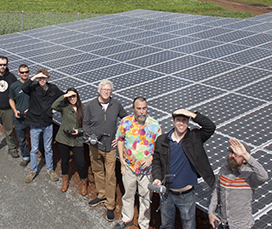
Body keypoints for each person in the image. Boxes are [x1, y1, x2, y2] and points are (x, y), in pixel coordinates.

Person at [151, 109, 216, 229]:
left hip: (187, 195)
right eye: (179, 120)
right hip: (166, 194)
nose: (181, 123)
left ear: (189, 122)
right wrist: (157, 178)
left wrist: (192, 114)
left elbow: (210, 127)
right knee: (166, 226)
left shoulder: (194, 138)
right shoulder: (163, 140)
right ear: (173, 121)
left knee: (189, 226)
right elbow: (156, 162)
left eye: (185, 120)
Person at [83, 79, 128, 222]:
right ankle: (101, 195)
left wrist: (120, 136)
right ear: (99, 90)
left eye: (109, 90)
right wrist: (90, 136)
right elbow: (86, 123)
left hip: (111, 147)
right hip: (95, 146)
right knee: (97, 171)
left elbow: (126, 120)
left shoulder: (116, 104)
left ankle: (110, 205)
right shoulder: (91, 105)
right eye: (104, 90)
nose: (106, 92)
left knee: (110, 175)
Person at [114, 97, 162, 229]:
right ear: (133, 109)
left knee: (145, 200)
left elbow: (160, 146)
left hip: (147, 171)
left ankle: (143, 224)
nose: (142, 111)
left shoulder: (154, 125)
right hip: (129, 168)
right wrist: (122, 160)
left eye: (144, 108)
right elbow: (120, 139)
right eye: (139, 108)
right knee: (128, 195)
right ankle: (127, 218)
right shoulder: (126, 122)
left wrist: (151, 157)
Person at [208, 138, 269, 229]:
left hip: (241, 225)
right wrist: (211, 212)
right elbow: (217, 191)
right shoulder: (223, 170)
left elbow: (264, 177)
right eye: (231, 153)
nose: (233, 156)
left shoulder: (249, 175)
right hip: (223, 223)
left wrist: (246, 155)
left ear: (245, 160)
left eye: (237, 154)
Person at [22, 68, 63, 183]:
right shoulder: (33, 88)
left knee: (48, 148)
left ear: (48, 78)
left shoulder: (53, 89)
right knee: (34, 149)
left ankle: (50, 170)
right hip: (35, 123)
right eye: (40, 78)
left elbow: (63, 97)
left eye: (44, 78)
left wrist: (56, 109)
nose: (42, 80)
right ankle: (33, 171)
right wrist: (34, 77)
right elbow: (24, 88)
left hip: (47, 123)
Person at [51, 87, 88, 195]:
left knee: (81, 163)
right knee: (65, 160)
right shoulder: (64, 107)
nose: (72, 98)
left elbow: (88, 125)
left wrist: (80, 131)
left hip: (76, 139)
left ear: (77, 96)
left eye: (74, 96)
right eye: (70, 96)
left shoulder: (84, 109)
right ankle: (65, 181)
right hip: (63, 138)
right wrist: (64, 96)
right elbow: (53, 106)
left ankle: (84, 183)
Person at [8, 64, 31, 166]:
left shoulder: (33, 84)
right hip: (19, 117)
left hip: (31, 117)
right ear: (18, 73)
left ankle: (39, 155)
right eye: (22, 72)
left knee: (35, 137)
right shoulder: (14, 86)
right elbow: (11, 99)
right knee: (21, 138)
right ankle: (25, 156)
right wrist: (15, 110)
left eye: (26, 72)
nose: (24, 74)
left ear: (29, 72)